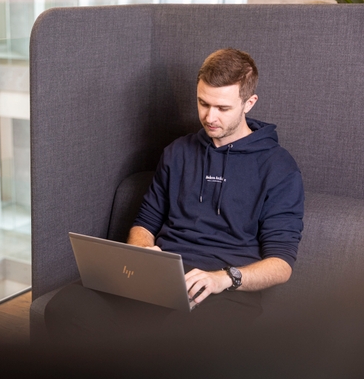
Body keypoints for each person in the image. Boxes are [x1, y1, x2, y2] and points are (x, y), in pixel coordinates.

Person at [44, 48, 304, 343]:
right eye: (203, 103)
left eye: (222, 108)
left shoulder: (279, 167)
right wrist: (142, 253)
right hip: (161, 279)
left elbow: (281, 264)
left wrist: (223, 278)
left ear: (249, 103)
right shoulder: (178, 152)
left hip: (222, 291)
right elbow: (146, 221)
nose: (209, 117)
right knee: (65, 307)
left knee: (177, 343)